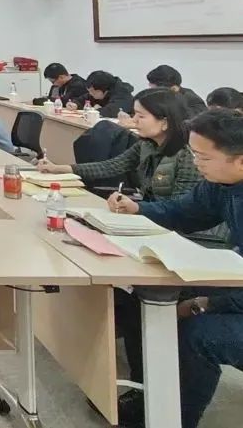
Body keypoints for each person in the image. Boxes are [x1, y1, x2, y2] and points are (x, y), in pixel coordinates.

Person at [106, 109, 243, 428]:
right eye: (193, 154)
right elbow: (184, 212)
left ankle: (174, 419)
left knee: (199, 334)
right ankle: (148, 394)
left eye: (203, 157)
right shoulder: (222, 183)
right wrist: (137, 208)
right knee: (143, 293)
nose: (196, 163)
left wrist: (205, 304)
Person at [40, 88, 201, 201]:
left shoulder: (189, 156)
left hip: (184, 232)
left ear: (165, 122)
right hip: (152, 215)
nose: (134, 120)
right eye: (134, 114)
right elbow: (110, 166)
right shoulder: (147, 145)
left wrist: (138, 209)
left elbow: (181, 209)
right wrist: (58, 168)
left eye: (141, 116)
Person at [66, 70, 134, 117]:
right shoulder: (97, 91)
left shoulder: (123, 94)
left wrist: (94, 110)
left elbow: (110, 111)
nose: (90, 94)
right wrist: (75, 104)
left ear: (104, 90)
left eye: (93, 92)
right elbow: (84, 98)